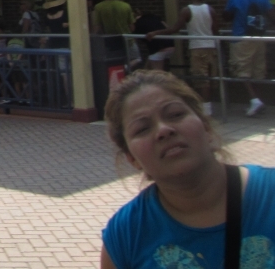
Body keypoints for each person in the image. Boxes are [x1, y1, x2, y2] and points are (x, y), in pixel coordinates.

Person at [100, 70, 275, 269]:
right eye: (142, 129)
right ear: (132, 158)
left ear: (206, 127)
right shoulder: (125, 235)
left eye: (176, 115)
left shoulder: (270, 194)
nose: (163, 130)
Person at [148, 0, 219, 115]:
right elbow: (215, 29)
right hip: (211, 46)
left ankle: (206, 109)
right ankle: (207, 106)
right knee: (210, 77)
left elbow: (175, 28)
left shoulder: (187, 10)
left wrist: (156, 32)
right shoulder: (210, 9)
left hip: (197, 47)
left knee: (201, 79)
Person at [225, 0, 273, 116]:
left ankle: (254, 100)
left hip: (242, 38)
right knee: (258, 72)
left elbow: (227, 16)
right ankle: (257, 101)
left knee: (242, 71)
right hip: (259, 38)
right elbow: (272, 16)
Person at [43, 0, 70, 104]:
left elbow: (47, 32)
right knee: (67, 73)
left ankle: (60, 99)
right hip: (66, 45)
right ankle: (71, 99)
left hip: (53, 47)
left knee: (59, 73)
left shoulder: (47, 17)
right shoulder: (65, 13)